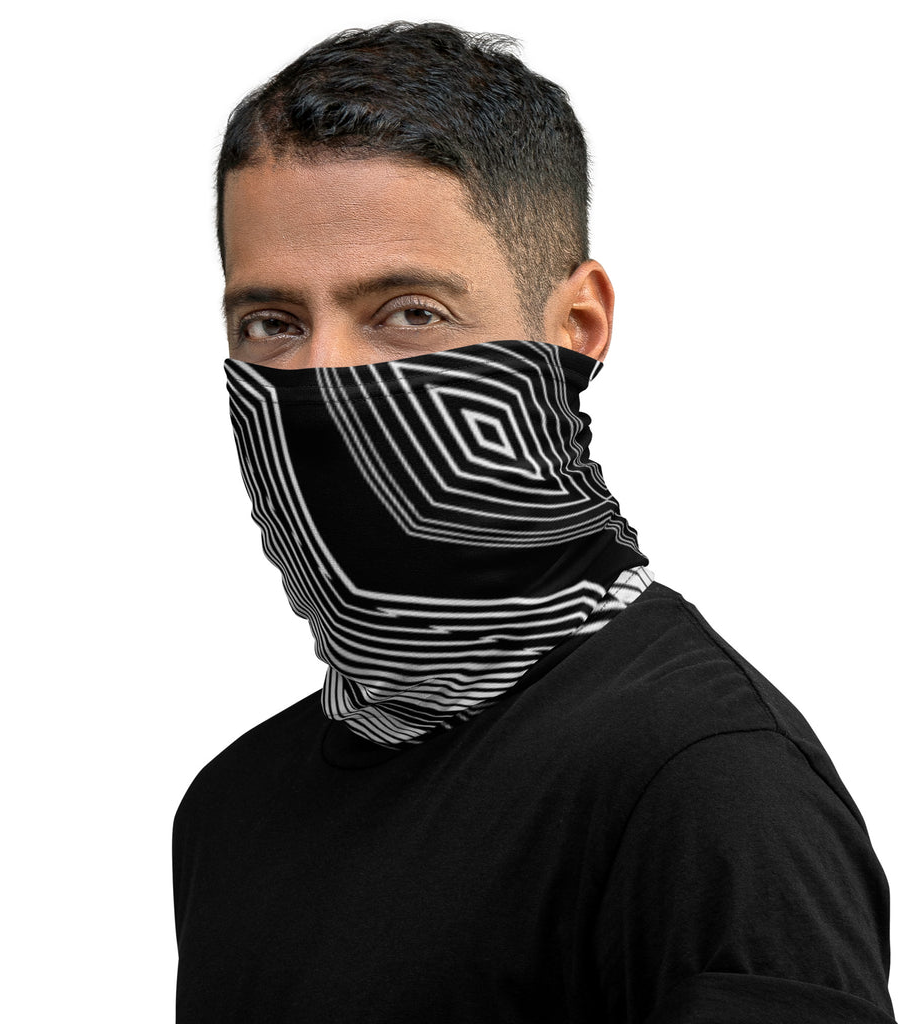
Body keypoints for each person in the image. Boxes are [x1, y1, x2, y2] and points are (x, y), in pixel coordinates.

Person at [172, 21, 897, 1023]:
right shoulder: (232, 807)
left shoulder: (704, 783)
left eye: (409, 312)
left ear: (575, 329)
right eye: (272, 324)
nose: (325, 378)